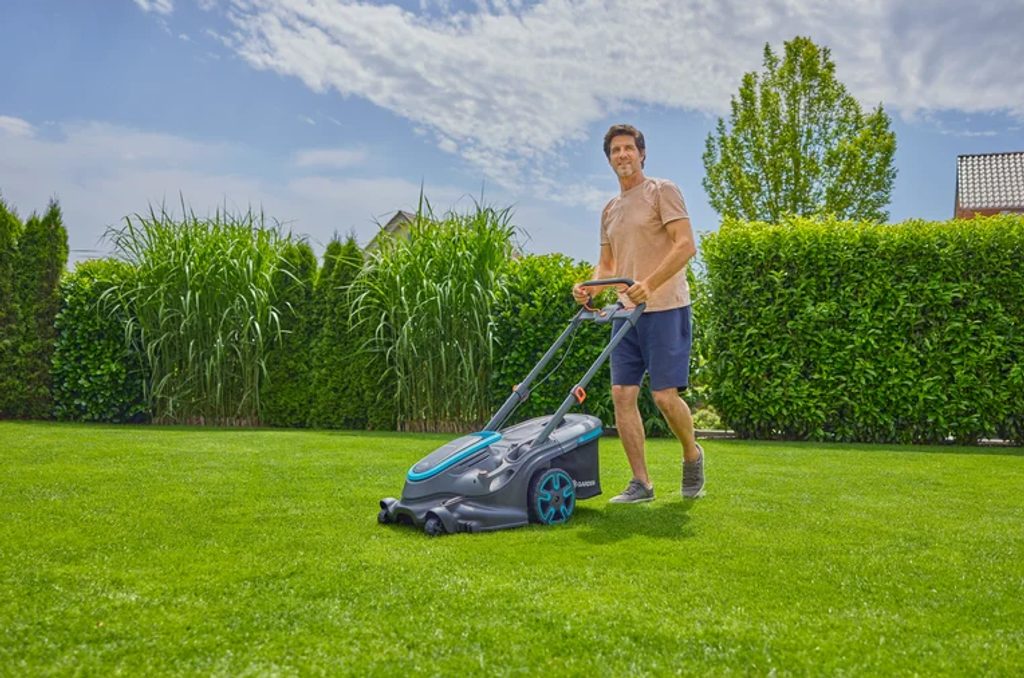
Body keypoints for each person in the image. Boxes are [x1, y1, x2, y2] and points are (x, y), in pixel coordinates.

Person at [572, 123, 704, 502]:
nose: (622, 155)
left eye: (628, 148)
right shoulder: (610, 210)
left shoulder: (662, 191)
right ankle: (641, 483)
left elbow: (685, 245)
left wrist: (650, 283)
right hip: (625, 313)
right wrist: (590, 287)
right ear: (609, 160)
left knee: (664, 397)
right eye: (615, 150)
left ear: (642, 154)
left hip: (666, 307)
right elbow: (607, 264)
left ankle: (692, 455)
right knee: (621, 394)